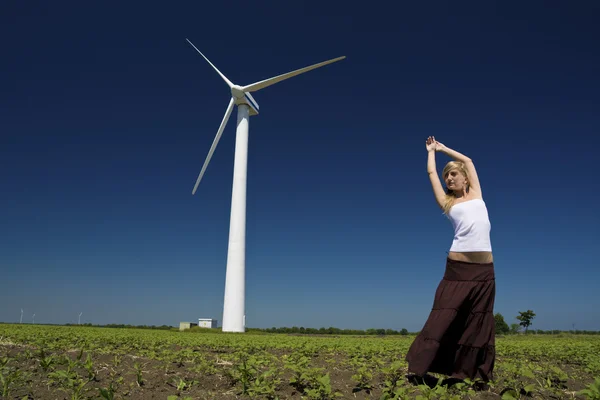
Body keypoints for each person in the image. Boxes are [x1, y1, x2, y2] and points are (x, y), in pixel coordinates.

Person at [405, 136, 496, 387]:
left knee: (478, 321)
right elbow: (431, 172)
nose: (449, 178)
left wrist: (443, 147)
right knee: (443, 316)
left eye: (454, 174)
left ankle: (464, 375)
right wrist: (430, 152)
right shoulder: (448, 202)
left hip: (485, 272)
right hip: (457, 269)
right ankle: (420, 368)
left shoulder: (477, 193)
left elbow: (467, 160)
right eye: (447, 177)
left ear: (465, 178)